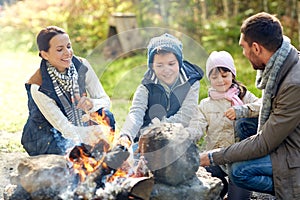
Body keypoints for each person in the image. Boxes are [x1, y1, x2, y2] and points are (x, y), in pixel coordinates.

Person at [200, 12, 300, 200]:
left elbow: (264, 143)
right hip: (288, 136)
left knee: (239, 170)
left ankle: (291, 188)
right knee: (244, 123)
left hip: (294, 151)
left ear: (256, 48)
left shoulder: (294, 83)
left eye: (243, 48)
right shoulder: (282, 65)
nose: (243, 54)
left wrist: (211, 157)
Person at [22, 26, 115, 156]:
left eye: (69, 46)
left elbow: (105, 100)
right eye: (60, 49)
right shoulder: (38, 86)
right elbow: (65, 129)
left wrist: (92, 104)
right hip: (47, 136)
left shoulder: (82, 65)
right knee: (72, 155)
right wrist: (96, 134)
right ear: (44, 54)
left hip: (78, 126)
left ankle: (99, 157)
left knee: (107, 116)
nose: (68, 53)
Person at [119, 33, 204, 146]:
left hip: (176, 135)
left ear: (179, 63)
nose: (166, 69)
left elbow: (186, 115)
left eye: (171, 64)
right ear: (152, 67)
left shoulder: (191, 82)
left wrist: (155, 130)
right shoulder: (146, 86)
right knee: (135, 157)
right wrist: (126, 135)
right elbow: (136, 113)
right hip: (147, 139)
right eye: (159, 65)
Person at [198, 50, 261, 199]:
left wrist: (241, 110)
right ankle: (221, 186)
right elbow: (197, 126)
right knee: (204, 187)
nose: (220, 80)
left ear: (232, 75)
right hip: (216, 159)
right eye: (214, 77)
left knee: (238, 197)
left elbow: (262, 105)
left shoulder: (243, 96)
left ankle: (237, 189)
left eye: (224, 75)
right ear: (209, 79)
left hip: (239, 160)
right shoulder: (205, 105)